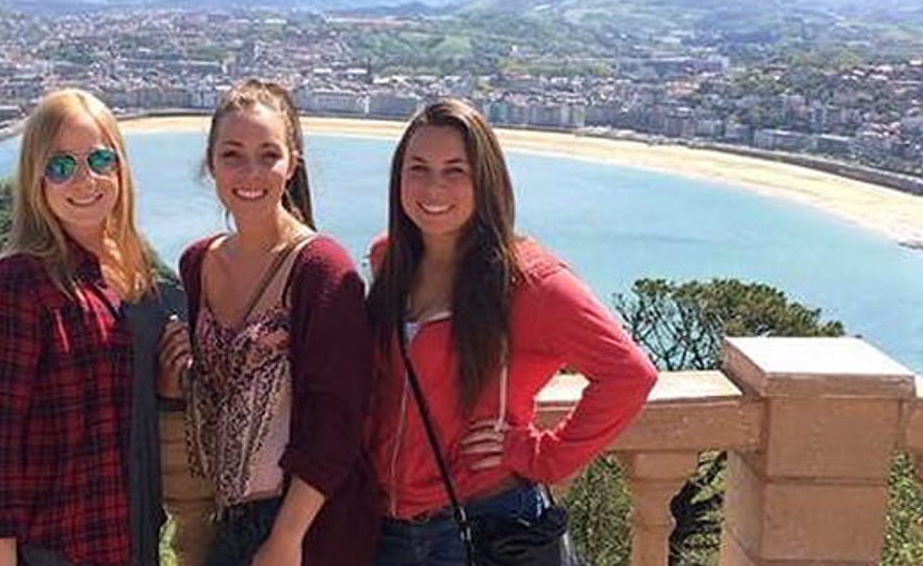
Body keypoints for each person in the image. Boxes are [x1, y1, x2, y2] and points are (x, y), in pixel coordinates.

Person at [366, 99, 659, 565]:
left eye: (455, 170)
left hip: (487, 523)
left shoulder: (529, 283)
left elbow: (629, 373)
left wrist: (544, 456)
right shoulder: (389, 260)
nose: (433, 186)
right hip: (387, 528)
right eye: (417, 168)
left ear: (486, 180)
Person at [0, 88, 180, 566]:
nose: (84, 179)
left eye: (99, 158)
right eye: (60, 165)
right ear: (36, 178)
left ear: (120, 168)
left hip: (117, 541)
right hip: (42, 550)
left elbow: (115, 403)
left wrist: (166, 386)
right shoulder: (16, 284)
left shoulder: (132, 281)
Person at [156, 79, 378, 566]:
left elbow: (338, 419)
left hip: (311, 528)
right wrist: (176, 383)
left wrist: (286, 538)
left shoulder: (323, 270)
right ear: (210, 163)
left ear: (291, 163)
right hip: (230, 518)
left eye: (268, 154)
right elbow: (220, 388)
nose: (250, 172)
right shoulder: (197, 263)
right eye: (232, 154)